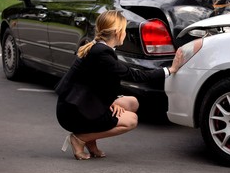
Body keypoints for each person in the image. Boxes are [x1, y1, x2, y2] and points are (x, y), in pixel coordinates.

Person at [56, 10, 183, 160]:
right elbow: (134, 75)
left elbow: (99, 82)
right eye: (124, 30)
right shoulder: (101, 53)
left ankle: (91, 143)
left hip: (81, 104)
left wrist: (110, 101)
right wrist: (171, 69)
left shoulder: (98, 48)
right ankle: (80, 138)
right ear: (117, 32)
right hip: (75, 112)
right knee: (131, 121)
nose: (126, 34)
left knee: (132, 103)